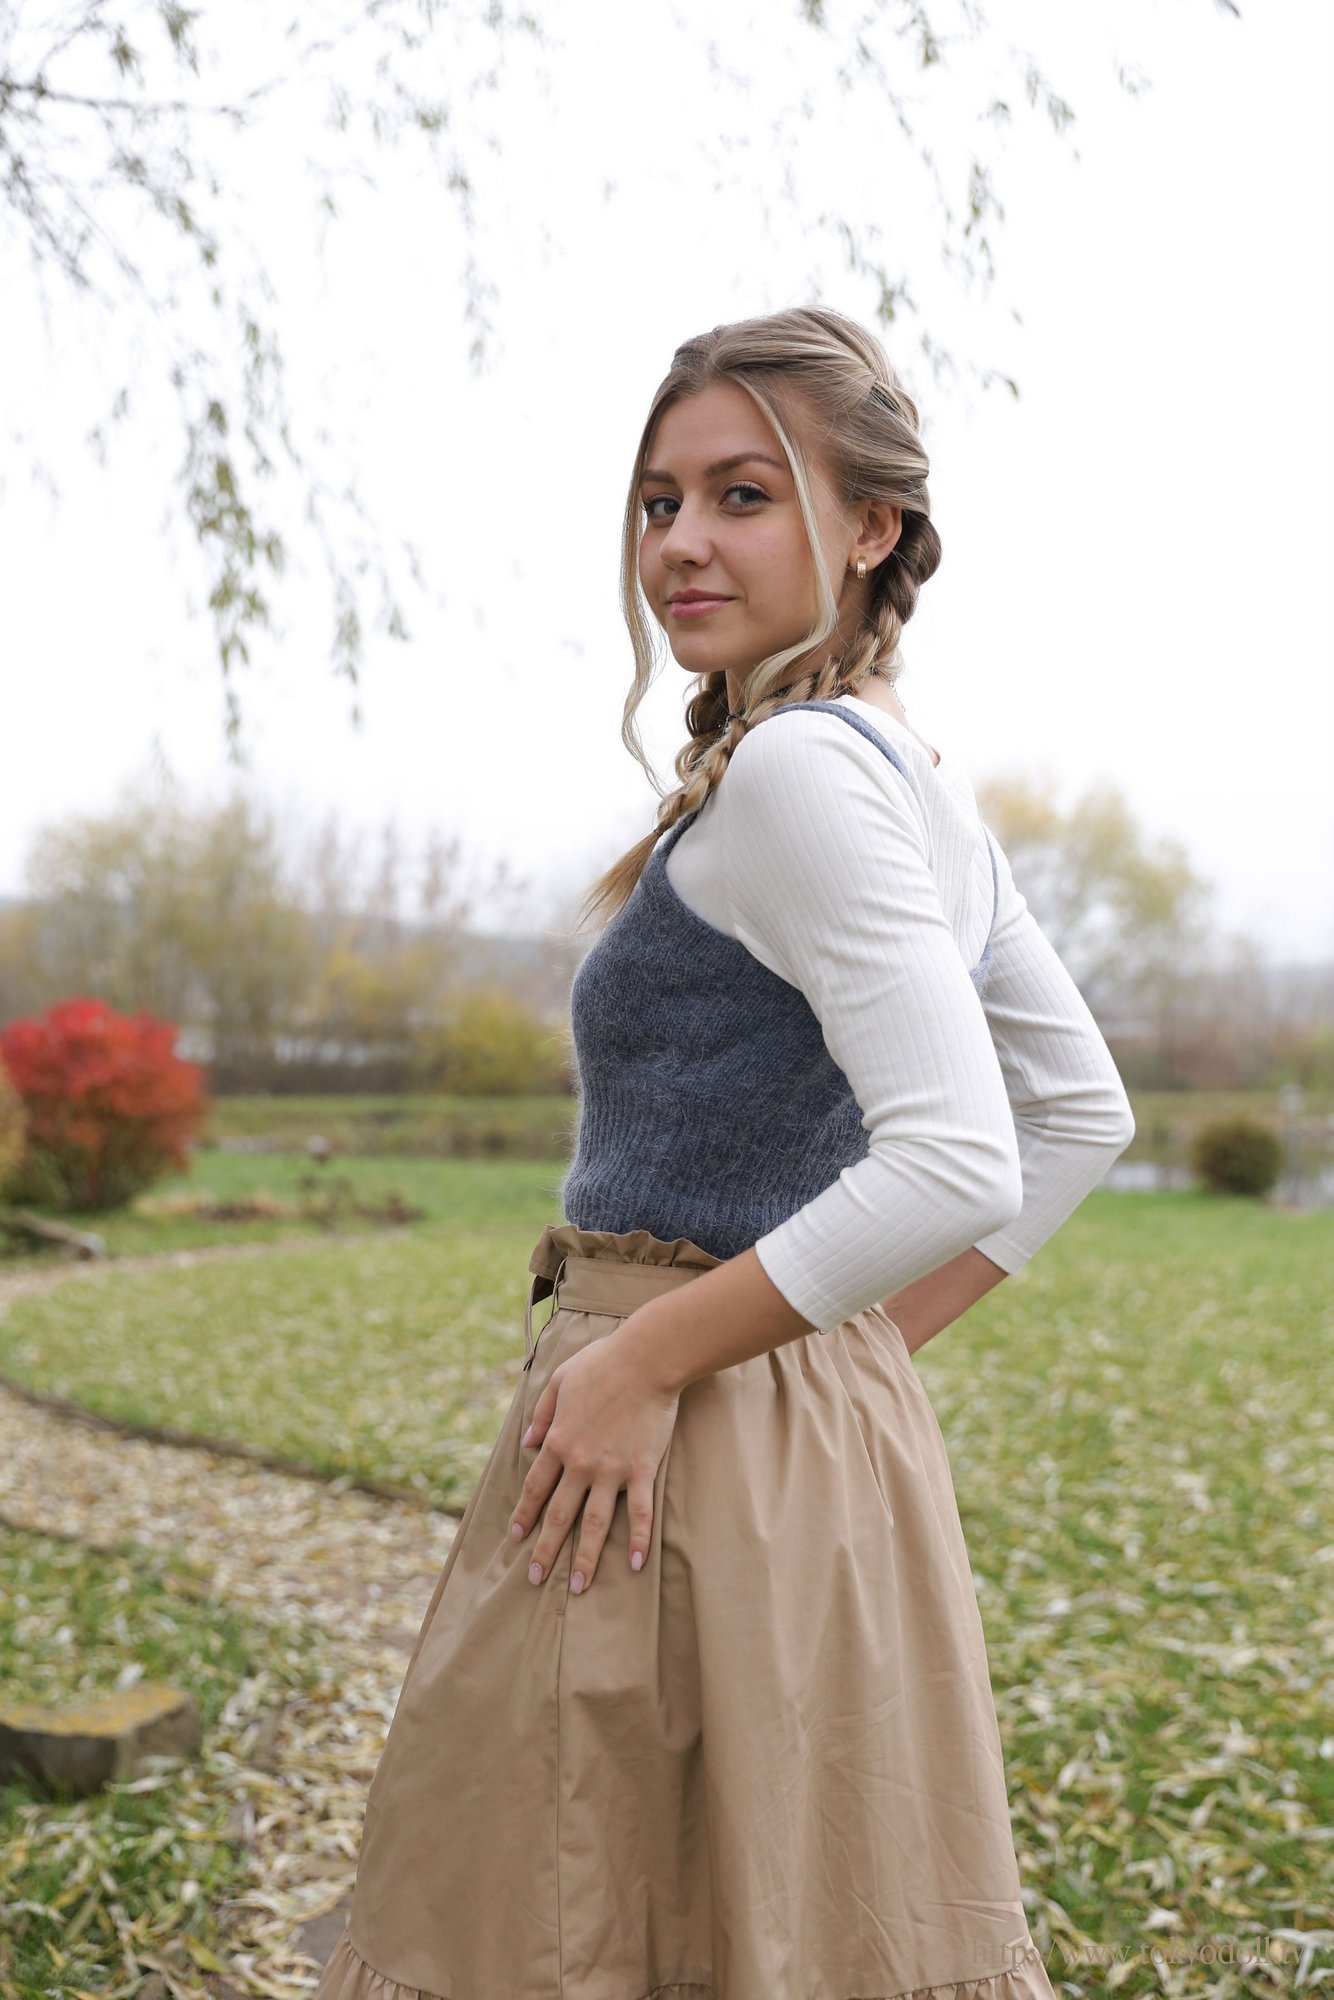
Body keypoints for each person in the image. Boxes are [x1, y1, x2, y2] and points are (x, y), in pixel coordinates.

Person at [312, 305, 1135, 2000]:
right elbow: (1077, 1115)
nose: (680, 542)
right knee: (769, 1908)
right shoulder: (905, 777)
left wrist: (648, 1363)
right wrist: (848, 1352)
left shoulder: (798, 776)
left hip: (671, 1410)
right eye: (658, 501)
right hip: (793, 1424)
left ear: (870, 526)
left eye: (741, 496)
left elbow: (962, 1155)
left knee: (571, 1917)